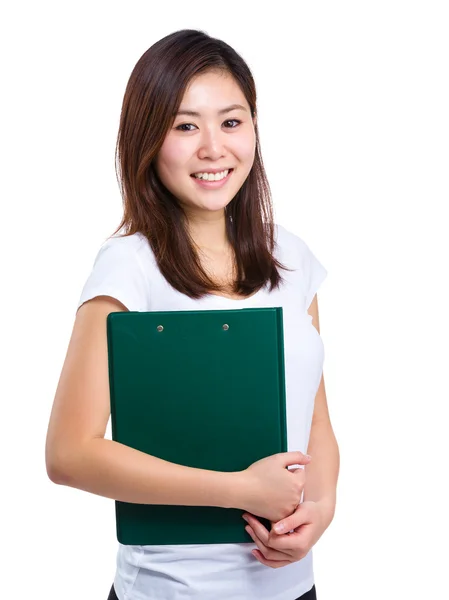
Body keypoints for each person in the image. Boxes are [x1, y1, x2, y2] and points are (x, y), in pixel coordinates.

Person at [45, 28, 339, 600]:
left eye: (231, 122)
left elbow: (315, 422)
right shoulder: (127, 267)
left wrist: (320, 512)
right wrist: (238, 489)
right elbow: (69, 452)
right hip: (172, 589)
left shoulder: (291, 257)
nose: (213, 148)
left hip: (292, 587)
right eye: (185, 125)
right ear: (148, 139)